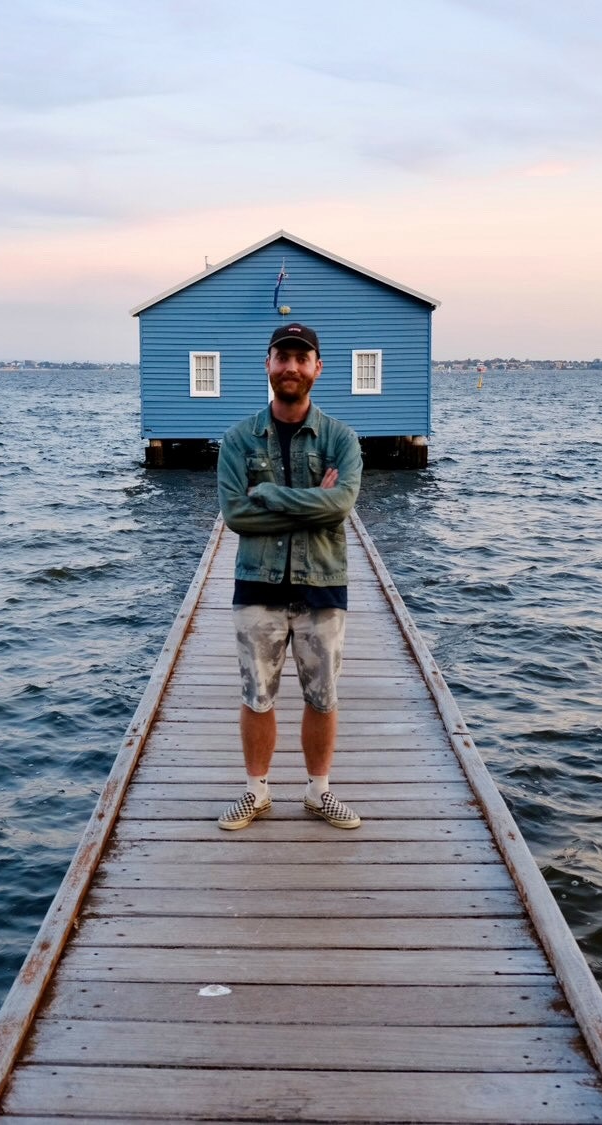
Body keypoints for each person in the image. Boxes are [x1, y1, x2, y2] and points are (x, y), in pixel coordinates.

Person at [216, 322, 363, 831]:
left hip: (322, 582)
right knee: (257, 694)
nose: (292, 367)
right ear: (268, 364)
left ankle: (318, 792)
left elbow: (342, 503)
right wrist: (314, 505)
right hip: (257, 583)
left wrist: (271, 494)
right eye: (283, 357)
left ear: (317, 368)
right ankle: (257, 792)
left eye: (303, 359)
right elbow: (236, 514)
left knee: (323, 696)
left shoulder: (342, 438)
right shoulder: (238, 439)